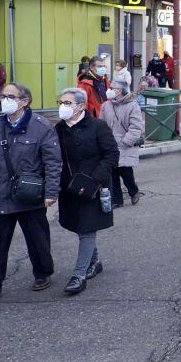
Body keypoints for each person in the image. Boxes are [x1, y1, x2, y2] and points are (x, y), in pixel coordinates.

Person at [0, 82, 61, 305]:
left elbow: (53, 162)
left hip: (29, 194)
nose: (4, 100)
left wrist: (51, 192)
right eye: (2, 96)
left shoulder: (41, 126)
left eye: (10, 96)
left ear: (24, 101)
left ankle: (42, 273)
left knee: (37, 239)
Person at [55, 87, 120, 295]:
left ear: (81, 106)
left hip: (93, 187)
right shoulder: (58, 129)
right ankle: (95, 261)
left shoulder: (97, 126)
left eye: (68, 103)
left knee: (87, 229)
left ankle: (79, 274)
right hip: (68, 188)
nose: (63, 107)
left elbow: (111, 154)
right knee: (78, 226)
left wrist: (96, 179)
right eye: (61, 103)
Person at [100, 79, 144, 207]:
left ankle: (134, 192)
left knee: (125, 172)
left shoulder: (132, 106)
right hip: (110, 144)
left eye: (112, 88)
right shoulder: (106, 105)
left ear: (119, 91)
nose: (109, 90)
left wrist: (126, 141)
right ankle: (117, 200)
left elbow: (136, 127)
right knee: (112, 173)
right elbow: (101, 124)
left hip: (125, 144)